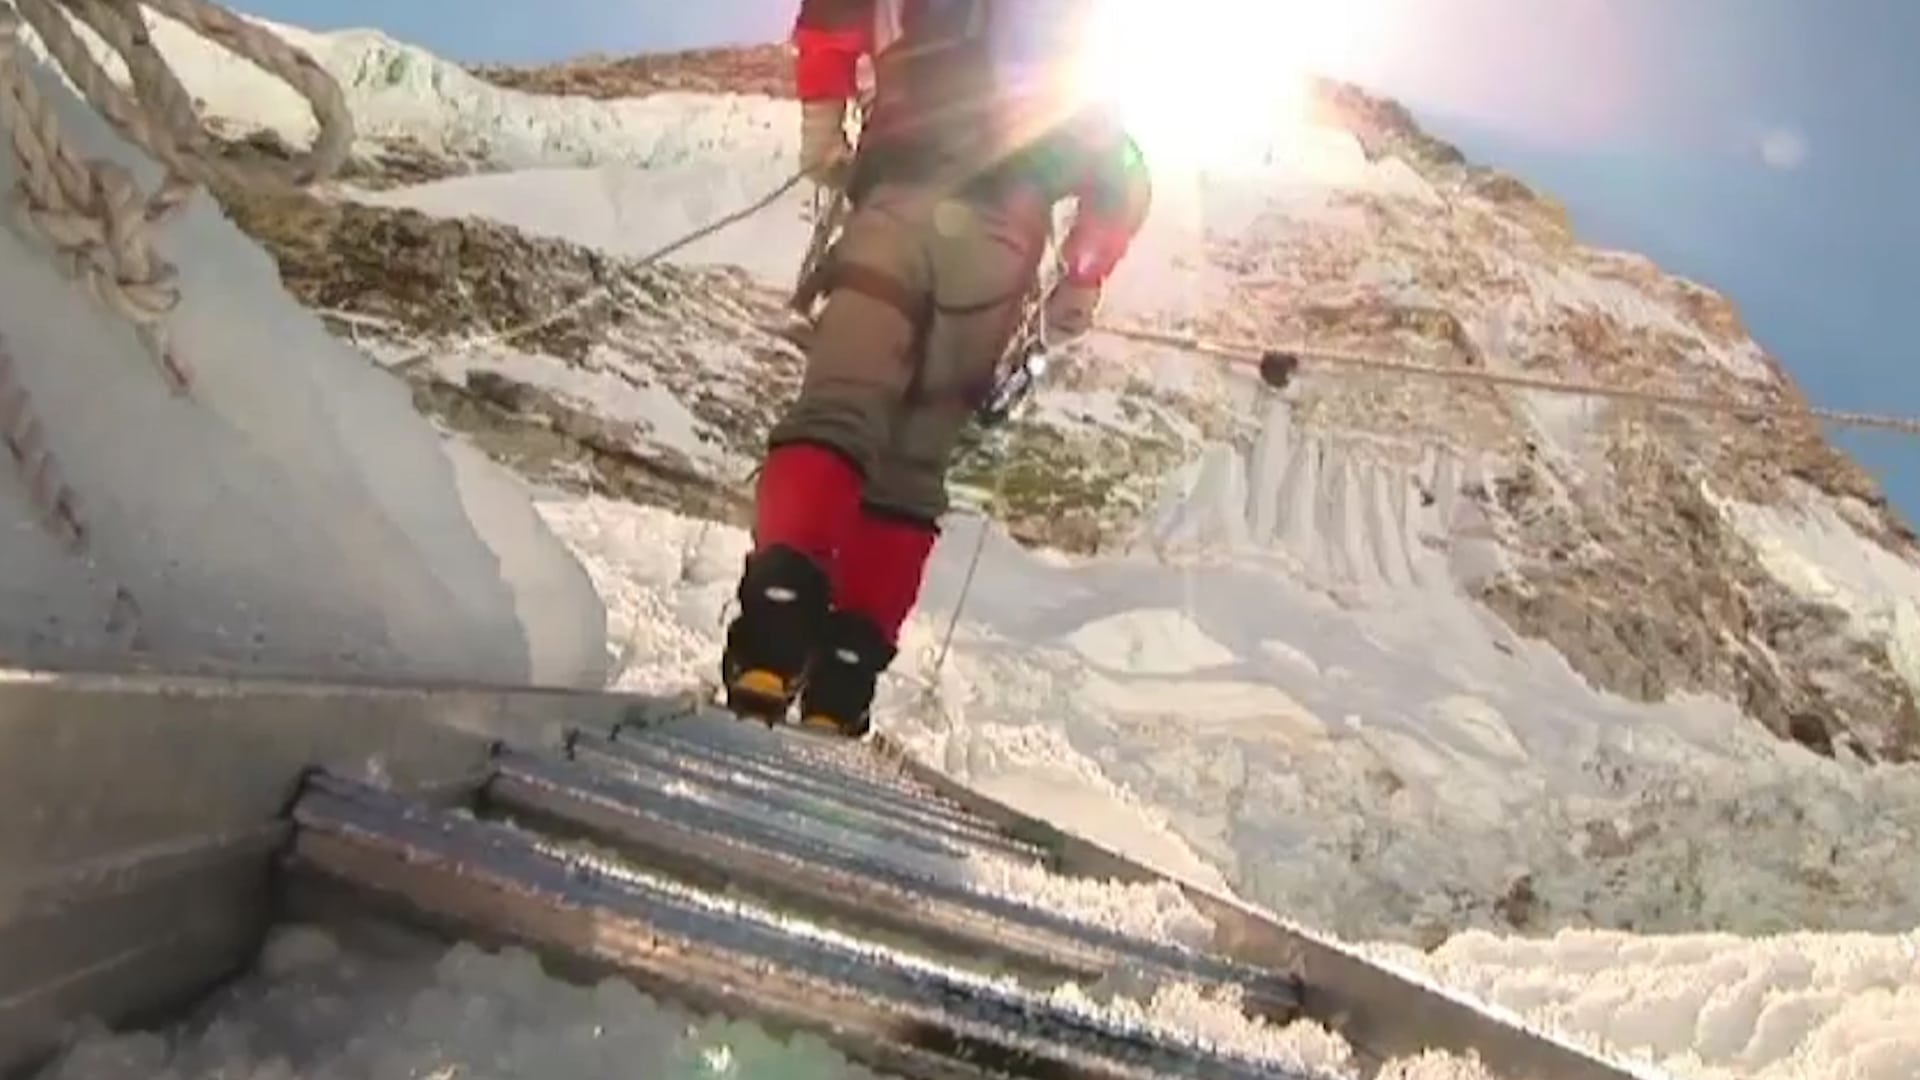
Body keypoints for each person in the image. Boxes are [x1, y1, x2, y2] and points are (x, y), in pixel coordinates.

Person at [721, 0, 1154, 737]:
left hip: (897, 200)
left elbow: (830, 21)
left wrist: (822, 128)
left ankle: (774, 634)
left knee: (838, 409)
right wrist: (1081, 277)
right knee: (915, 461)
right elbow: (1120, 167)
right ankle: (842, 680)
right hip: (1002, 241)